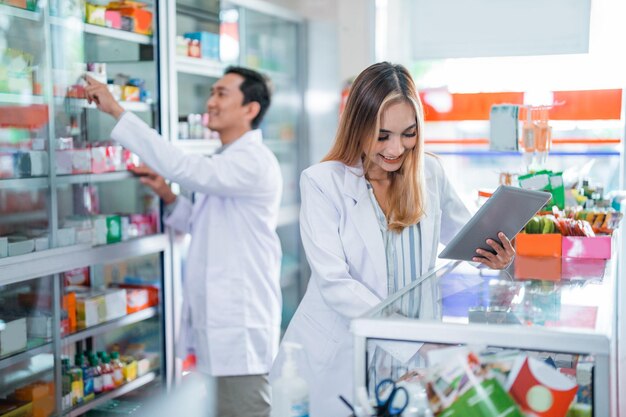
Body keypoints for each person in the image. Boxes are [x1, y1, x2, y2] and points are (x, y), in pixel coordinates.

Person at [270, 62, 515, 416]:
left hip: (411, 358)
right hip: (343, 354)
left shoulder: (429, 172)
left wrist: (495, 254)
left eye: (408, 133)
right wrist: (416, 341)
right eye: (382, 135)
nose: (396, 149)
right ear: (357, 126)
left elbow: (466, 238)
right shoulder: (322, 182)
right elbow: (335, 284)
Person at [85, 67, 283, 417]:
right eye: (212, 92)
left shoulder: (254, 162)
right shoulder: (227, 161)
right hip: (218, 323)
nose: (210, 102)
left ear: (250, 109)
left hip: (240, 327)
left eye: (222, 94)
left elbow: (182, 167)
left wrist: (116, 110)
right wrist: (165, 192)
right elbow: (201, 223)